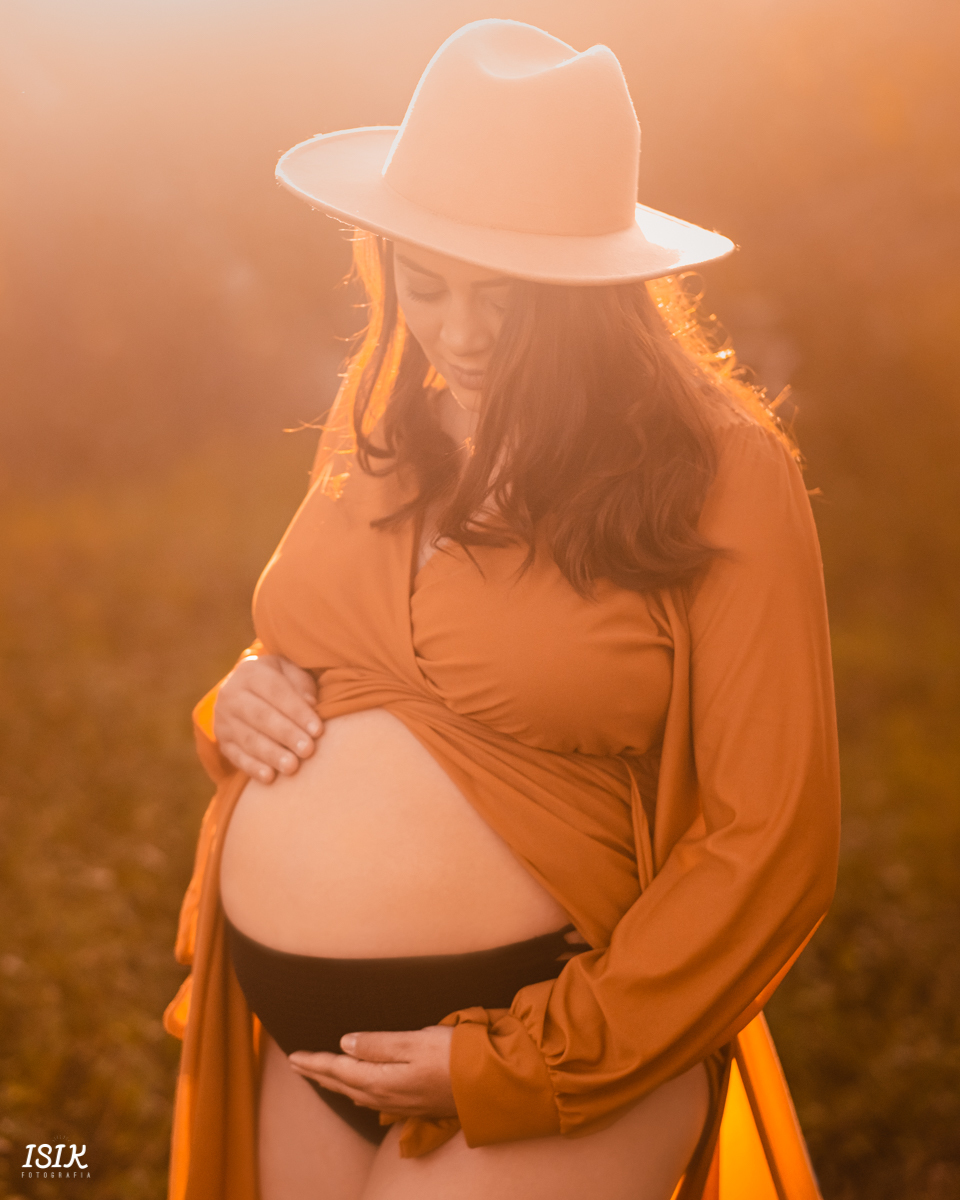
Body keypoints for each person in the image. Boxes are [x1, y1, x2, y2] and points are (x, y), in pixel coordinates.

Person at [164, 19, 840, 1200]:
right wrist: (253, 693)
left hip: (555, 1027)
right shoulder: (391, 407)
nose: (462, 336)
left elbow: (770, 837)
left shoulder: (725, 468)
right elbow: (335, 649)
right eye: (426, 286)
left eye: (510, 301)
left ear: (596, 290)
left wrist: (523, 1063)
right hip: (308, 1047)